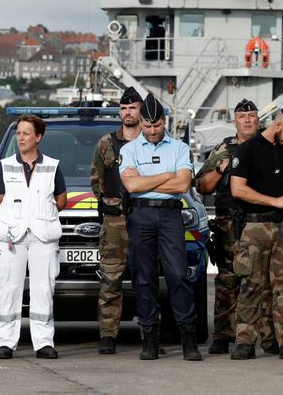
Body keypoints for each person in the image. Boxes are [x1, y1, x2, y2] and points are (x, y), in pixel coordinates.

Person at [119, 94, 201, 361]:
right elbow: (131, 187)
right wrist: (168, 175)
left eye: (157, 125)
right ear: (141, 122)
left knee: (178, 275)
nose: (152, 131)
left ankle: (188, 338)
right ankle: (150, 339)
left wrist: (147, 179)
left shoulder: (178, 147)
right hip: (140, 215)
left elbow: (182, 186)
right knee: (144, 279)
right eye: (147, 125)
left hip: (169, 216)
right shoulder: (128, 150)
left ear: (164, 122)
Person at [229, 100, 283, 361]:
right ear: (277, 125)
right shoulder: (248, 150)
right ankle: (245, 342)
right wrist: (274, 200)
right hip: (255, 226)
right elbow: (238, 189)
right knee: (251, 284)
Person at [197, 98, 276, 356]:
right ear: (235, 121)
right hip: (229, 224)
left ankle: (268, 337)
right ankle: (222, 334)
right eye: (242, 116)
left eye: (252, 115)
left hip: (260, 221)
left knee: (262, 281)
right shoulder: (224, 148)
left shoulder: (269, 146)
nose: (248, 120)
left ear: (258, 119)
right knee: (228, 280)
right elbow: (203, 186)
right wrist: (222, 169)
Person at [0, 114, 67, 360]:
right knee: (9, 288)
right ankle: (5, 343)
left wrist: (39, 213)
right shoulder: (5, 165)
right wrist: (14, 215)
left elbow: (61, 200)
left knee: (43, 289)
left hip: (42, 236)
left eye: (25, 133)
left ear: (38, 137)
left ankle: (43, 342)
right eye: (18, 133)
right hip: (13, 236)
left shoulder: (52, 166)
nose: (20, 138)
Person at [89, 86, 142, 354]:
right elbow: (96, 180)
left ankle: (149, 332)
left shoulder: (151, 140)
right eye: (123, 108)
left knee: (146, 278)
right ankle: (108, 335)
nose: (127, 113)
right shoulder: (106, 143)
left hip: (144, 218)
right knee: (110, 279)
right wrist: (112, 203)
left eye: (132, 108)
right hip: (114, 223)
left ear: (141, 111)